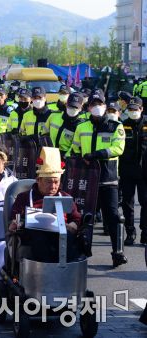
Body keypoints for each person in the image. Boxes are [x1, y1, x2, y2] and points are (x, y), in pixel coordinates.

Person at [71, 89, 127, 267]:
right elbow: (75, 149)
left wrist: (97, 154)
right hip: (87, 179)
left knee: (112, 216)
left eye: (100, 104)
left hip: (107, 178)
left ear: (105, 106)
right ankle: (79, 251)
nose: (97, 107)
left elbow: (118, 149)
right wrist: (78, 161)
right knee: (82, 217)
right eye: (93, 104)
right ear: (88, 107)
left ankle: (117, 251)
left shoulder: (115, 126)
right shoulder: (81, 126)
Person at [8, 147, 82, 263]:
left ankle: (67, 270)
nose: (53, 186)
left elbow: (76, 218)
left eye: (56, 182)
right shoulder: (24, 197)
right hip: (35, 235)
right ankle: (45, 271)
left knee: (68, 238)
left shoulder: (65, 197)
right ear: (38, 180)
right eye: (49, 182)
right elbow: (14, 217)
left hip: (60, 234)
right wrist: (16, 223)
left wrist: (73, 225)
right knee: (39, 237)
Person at [119, 97, 147, 245]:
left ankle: (145, 232)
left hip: (145, 171)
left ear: (141, 109)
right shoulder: (123, 126)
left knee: (146, 202)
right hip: (127, 170)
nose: (133, 112)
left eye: (135, 109)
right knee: (127, 203)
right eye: (130, 109)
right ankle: (130, 232)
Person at [43, 93, 86, 159]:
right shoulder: (53, 116)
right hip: (49, 154)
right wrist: (47, 149)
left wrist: (66, 158)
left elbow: (76, 146)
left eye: (75, 107)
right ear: (66, 104)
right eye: (70, 106)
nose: (72, 109)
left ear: (81, 108)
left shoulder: (81, 125)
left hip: (66, 159)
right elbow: (44, 134)